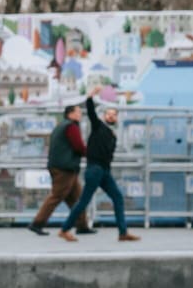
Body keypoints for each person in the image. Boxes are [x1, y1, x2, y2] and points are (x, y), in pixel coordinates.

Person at [58, 97, 139, 242]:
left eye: (114, 114)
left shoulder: (112, 135)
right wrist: (90, 97)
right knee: (83, 201)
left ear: (117, 118)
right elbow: (91, 112)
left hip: (104, 172)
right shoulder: (98, 126)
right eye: (108, 114)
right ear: (104, 116)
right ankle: (64, 229)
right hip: (94, 170)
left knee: (118, 197)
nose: (111, 116)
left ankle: (123, 233)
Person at [29, 104, 90, 236]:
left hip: (62, 166)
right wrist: (91, 154)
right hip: (65, 168)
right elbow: (78, 146)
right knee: (56, 196)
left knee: (77, 198)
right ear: (70, 114)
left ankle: (82, 225)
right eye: (78, 112)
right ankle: (37, 223)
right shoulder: (71, 127)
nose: (80, 114)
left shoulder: (61, 126)